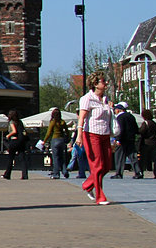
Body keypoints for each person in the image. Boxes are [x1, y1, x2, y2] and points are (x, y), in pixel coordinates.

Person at [74, 71, 112, 205]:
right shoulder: (87, 98)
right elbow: (82, 118)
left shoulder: (106, 99)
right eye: (103, 81)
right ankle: (100, 196)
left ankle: (88, 185)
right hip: (92, 134)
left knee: (107, 166)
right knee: (97, 165)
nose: (106, 83)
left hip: (105, 135)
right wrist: (79, 135)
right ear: (95, 84)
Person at [110, 102, 138, 179]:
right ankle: (138, 172)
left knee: (119, 157)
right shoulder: (131, 116)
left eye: (115, 109)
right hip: (131, 139)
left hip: (122, 140)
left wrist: (118, 139)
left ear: (118, 110)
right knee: (133, 156)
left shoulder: (120, 117)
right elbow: (136, 128)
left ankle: (119, 173)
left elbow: (120, 129)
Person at [1, 110, 28, 180]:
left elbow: (14, 131)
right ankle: (25, 175)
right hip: (21, 141)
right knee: (22, 158)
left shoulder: (12, 122)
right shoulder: (20, 122)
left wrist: (8, 135)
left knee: (11, 158)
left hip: (14, 141)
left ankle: (7, 174)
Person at [44, 109, 69, 179]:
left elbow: (48, 133)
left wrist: (44, 140)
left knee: (55, 158)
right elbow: (67, 132)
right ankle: (65, 171)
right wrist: (68, 139)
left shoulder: (53, 122)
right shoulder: (63, 122)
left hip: (55, 140)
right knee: (62, 157)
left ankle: (56, 173)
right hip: (62, 140)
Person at [136, 108, 156, 179]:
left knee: (143, 159)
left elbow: (142, 131)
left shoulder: (146, 123)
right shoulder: (154, 123)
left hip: (146, 143)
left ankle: (140, 173)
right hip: (153, 142)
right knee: (154, 159)